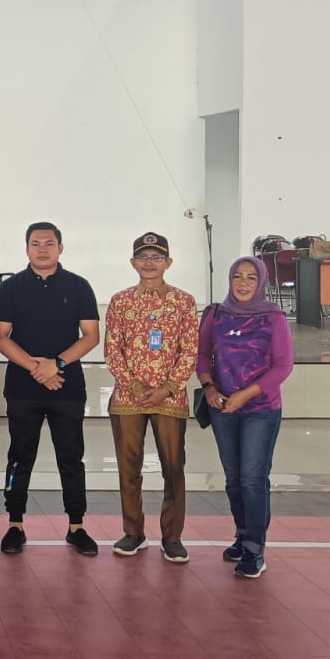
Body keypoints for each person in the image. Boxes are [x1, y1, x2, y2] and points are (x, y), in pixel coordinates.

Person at [0, 221, 101, 556]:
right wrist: (37, 368)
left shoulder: (79, 286)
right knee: (19, 457)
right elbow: (0, 337)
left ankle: (77, 525)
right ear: (26, 248)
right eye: (35, 243)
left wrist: (58, 365)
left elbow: (91, 336)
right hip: (23, 389)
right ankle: (14, 523)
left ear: (60, 248)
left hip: (67, 389)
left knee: (71, 458)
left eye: (49, 243)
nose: (42, 249)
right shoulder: (10, 289)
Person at [103, 233, 198, 563]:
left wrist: (167, 387)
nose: (149, 262)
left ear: (168, 263)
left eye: (156, 257)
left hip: (170, 399)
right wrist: (133, 387)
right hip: (128, 398)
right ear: (132, 263)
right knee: (129, 468)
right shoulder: (120, 301)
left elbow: (190, 350)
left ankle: (172, 537)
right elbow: (112, 350)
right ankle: (133, 532)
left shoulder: (184, 302)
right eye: (143, 256)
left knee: (173, 468)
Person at [197, 256, 294, 579]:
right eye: (237, 276)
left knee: (253, 479)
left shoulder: (272, 318)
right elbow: (202, 357)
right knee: (234, 479)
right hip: (223, 407)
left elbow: (283, 367)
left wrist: (245, 394)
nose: (242, 283)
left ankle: (255, 549)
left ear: (261, 282)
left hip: (260, 410)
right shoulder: (215, 314)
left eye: (251, 278)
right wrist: (209, 388)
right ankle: (242, 533)